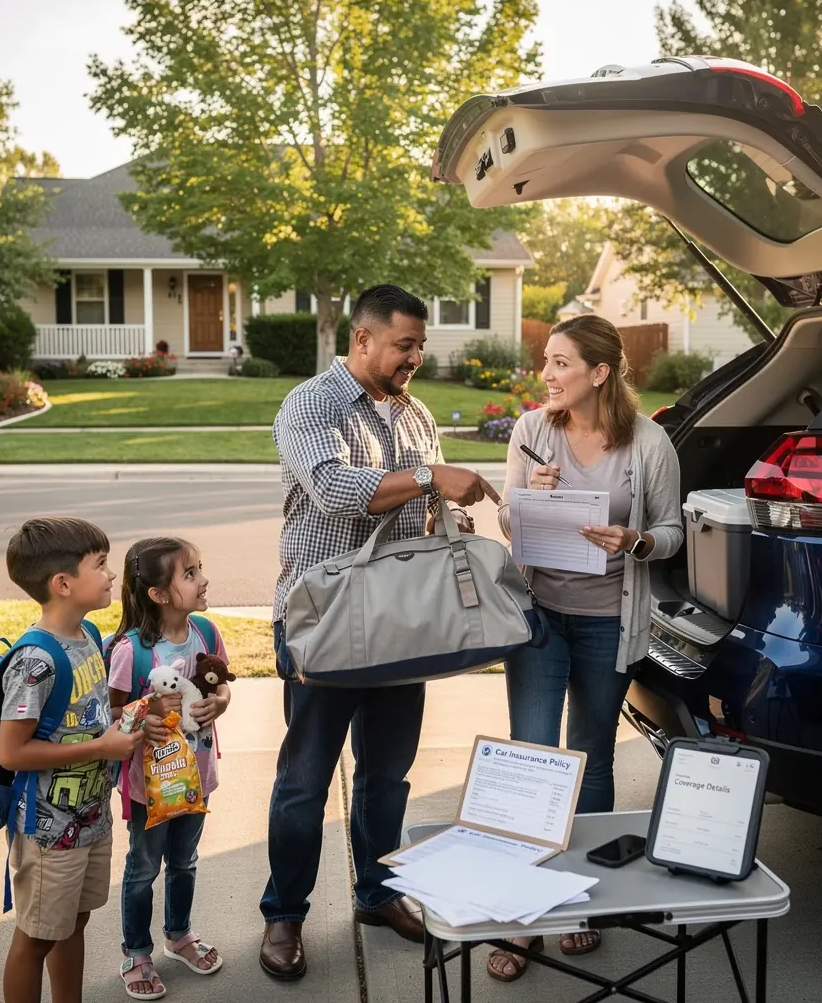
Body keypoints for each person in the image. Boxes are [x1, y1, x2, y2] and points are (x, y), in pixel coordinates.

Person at [259, 283, 501, 981]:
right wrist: (429, 474)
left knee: (388, 773)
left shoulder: (417, 413)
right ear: (362, 339)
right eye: (404, 345)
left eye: (420, 347)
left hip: (401, 624)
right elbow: (336, 489)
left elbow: (422, 506)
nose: (415, 358)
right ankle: (284, 914)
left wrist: (445, 511)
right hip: (323, 620)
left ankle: (377, 894)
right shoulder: (311, 404)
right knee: (304, 781)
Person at [486, 315, 683, 984]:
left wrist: (636, 543)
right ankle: (524, 914)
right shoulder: (532, 431)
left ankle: (575, 903)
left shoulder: (649, 444)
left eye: (561, 362)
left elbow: (671, 531)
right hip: (540, 616)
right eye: (546, 361)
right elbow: (506, 518)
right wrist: (523, 501)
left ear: (599, 373)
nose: (547, 374)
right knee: (534, 757)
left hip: (607, 621)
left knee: (591, 755)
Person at [0, 517, 145, 1003]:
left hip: (89, 818)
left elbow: (90, 715)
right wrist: (101, 748)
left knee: (72, 924)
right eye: (100, 565)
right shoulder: (35, 660)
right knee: (37, 937)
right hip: (47, 830)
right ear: (63, 584)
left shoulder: (87, 637)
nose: (110, 574)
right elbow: (12, 752)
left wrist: (137, 713)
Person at [107, 536, 231, 999]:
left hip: (196, 779)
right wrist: (148, 714)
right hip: (150, 788)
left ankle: (179, 935)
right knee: (143, 868)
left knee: (185, 861)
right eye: (190, 573)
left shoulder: (207, 633)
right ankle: (137, 952)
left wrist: (218, 704)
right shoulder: (131, 651)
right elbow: (113, 711)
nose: (203, 580)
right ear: (158, 594)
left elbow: (222, 687)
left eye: (200, 568)